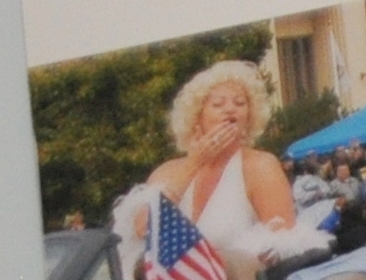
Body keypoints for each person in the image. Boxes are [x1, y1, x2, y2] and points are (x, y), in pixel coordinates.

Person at [123, 61, 300, 276]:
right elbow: (144, 228)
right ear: (197, 118)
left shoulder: (260, 166)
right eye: (218, 104)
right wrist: (193, 164)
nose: (230, 109)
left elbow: (284, 244)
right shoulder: (167, 172)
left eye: (240, 103)